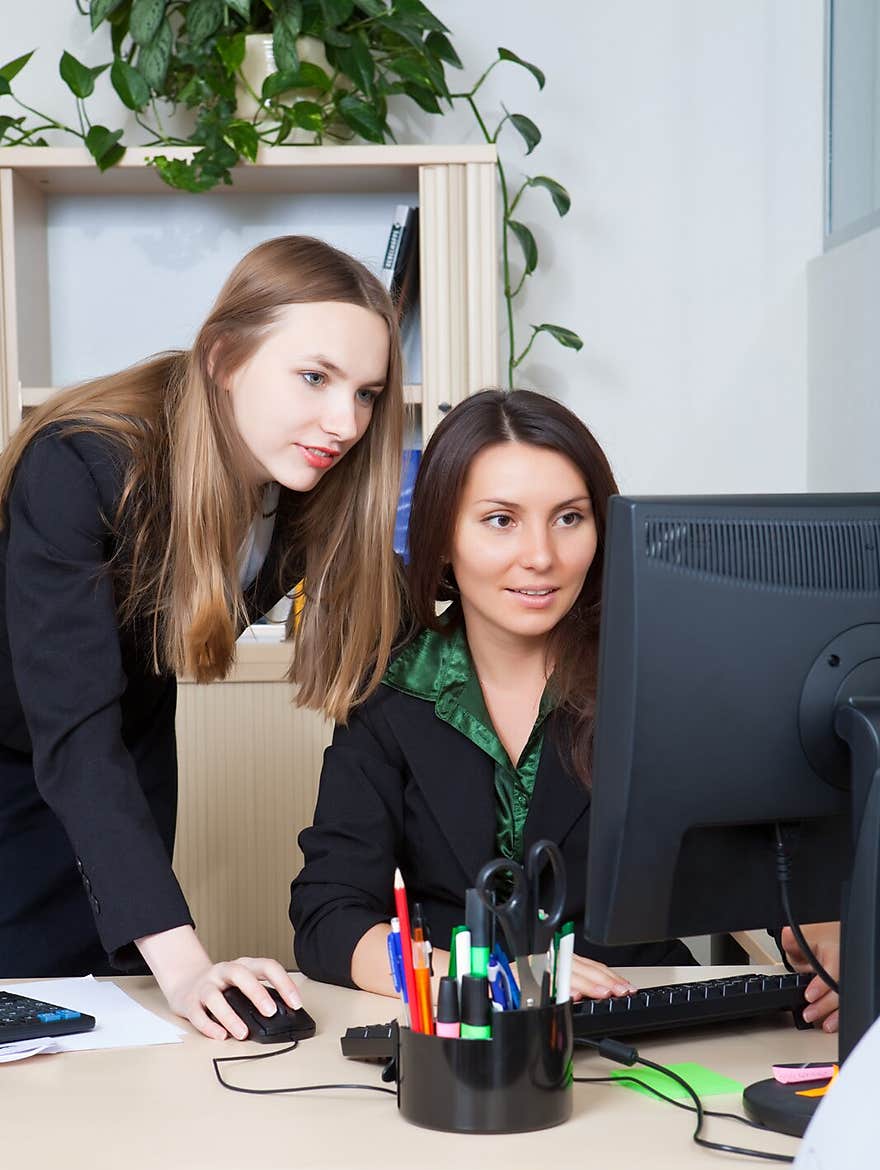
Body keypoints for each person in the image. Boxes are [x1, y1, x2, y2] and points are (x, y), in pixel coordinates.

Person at [0, 235, 405, 1040]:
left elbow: (401, 615)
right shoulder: (80, 462)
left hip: (125, 741)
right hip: (28, 747)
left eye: (367, 393)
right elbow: (73, 732)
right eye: (315, 377)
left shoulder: (305, 486)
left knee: (114, 1012)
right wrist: (189, 964)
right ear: (223, 357)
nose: (345, 421)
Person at [290, 388, 698, 997]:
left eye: (569, 518)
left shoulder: (653, 680)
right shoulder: (392, 695)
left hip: (641, 1020)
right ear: (443, 538)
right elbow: (329, 919)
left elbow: (763, 855)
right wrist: (483, 975)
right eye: (501, 521)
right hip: (463, 1035)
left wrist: (818, 930)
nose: (541, 556)